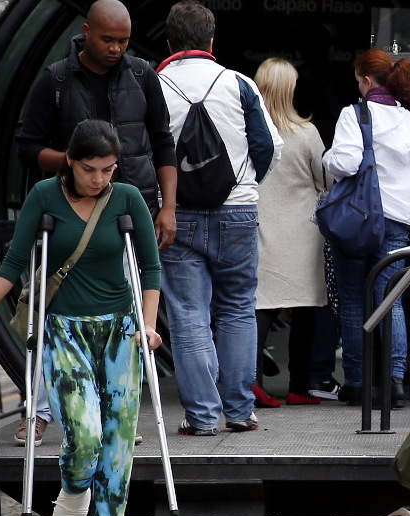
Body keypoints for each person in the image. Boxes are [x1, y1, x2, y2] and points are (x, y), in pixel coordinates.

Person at [0, 120, 163, 516]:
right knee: (85, 434)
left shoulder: (126, 200)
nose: (100, 179)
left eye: (109, 169)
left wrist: (147, 325)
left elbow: (150, 267)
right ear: (70, 161)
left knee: (119, 436)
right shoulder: (44, 197)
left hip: (120, 330)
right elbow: (14, 261)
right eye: (91, 169)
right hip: (64, 328)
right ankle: (73, 487)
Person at [13, 0, 176, 447]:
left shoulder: (143, 75)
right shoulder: (57, 80)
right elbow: (28, 145)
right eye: (108, 39)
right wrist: (74, 165)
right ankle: (40, 411)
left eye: (123, 41)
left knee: (123, 314)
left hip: (128, 209)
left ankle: (116, 409)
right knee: (54, 315)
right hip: (69, 213)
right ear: (86, 32)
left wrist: (168, 206)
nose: (116, 49)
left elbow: (163, 143)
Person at [157, 0, 282, 435]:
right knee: (237, 310)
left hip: (176, 216)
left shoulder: (154, 84)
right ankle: (240, 410)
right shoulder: (238, 83)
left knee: (189, 313)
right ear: (212, 41)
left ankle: (203, 417)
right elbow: (269, 147)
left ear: (170, 41)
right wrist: (245, 184)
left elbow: (141, 152)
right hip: (237, 213)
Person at [322, 49, 410, 409]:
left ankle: (356, 383)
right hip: (400, 221)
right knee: (390, 300)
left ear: (367, 81)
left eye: (357, 81)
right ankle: (395, 382)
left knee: (354, 300)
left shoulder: (355, 114)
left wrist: (327, 158)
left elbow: (347, 162)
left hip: (360, 219)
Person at [250, 58, 329, 407]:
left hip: (259, 229)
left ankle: (251, 380)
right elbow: (325, 180)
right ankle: (300, 384)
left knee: (259, 307)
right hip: (302, 235)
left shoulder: (246, 131)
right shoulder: (307, 133)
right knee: (306, 308)